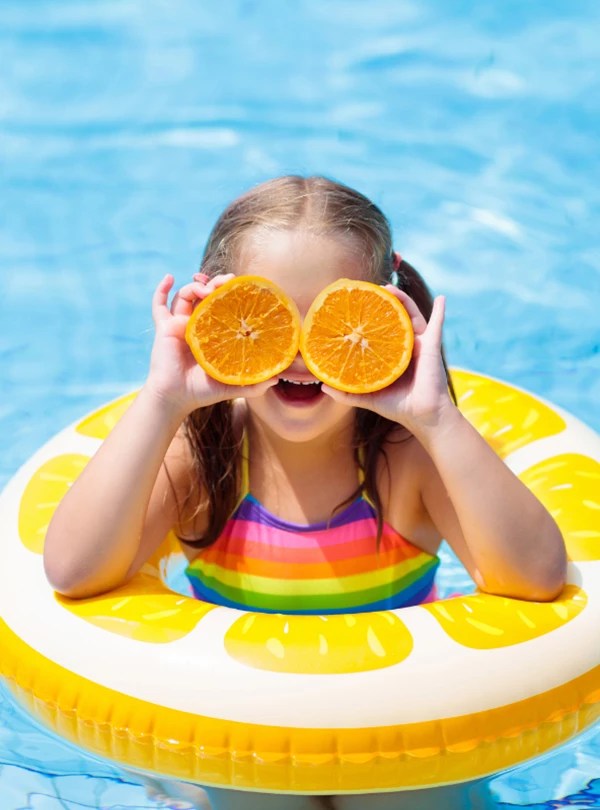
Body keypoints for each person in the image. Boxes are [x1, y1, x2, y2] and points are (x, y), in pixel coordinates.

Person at [43, 175, 567, 810]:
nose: (299, 354)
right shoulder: (202, 458)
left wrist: (435, 418)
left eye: (332, 319)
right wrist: (161, 402)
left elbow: (535, 580)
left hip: (399, 737)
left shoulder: (407, 460)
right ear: (210, 309)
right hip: (250, 741)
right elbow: (73, 571)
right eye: (267, 317)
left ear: (384, 309)